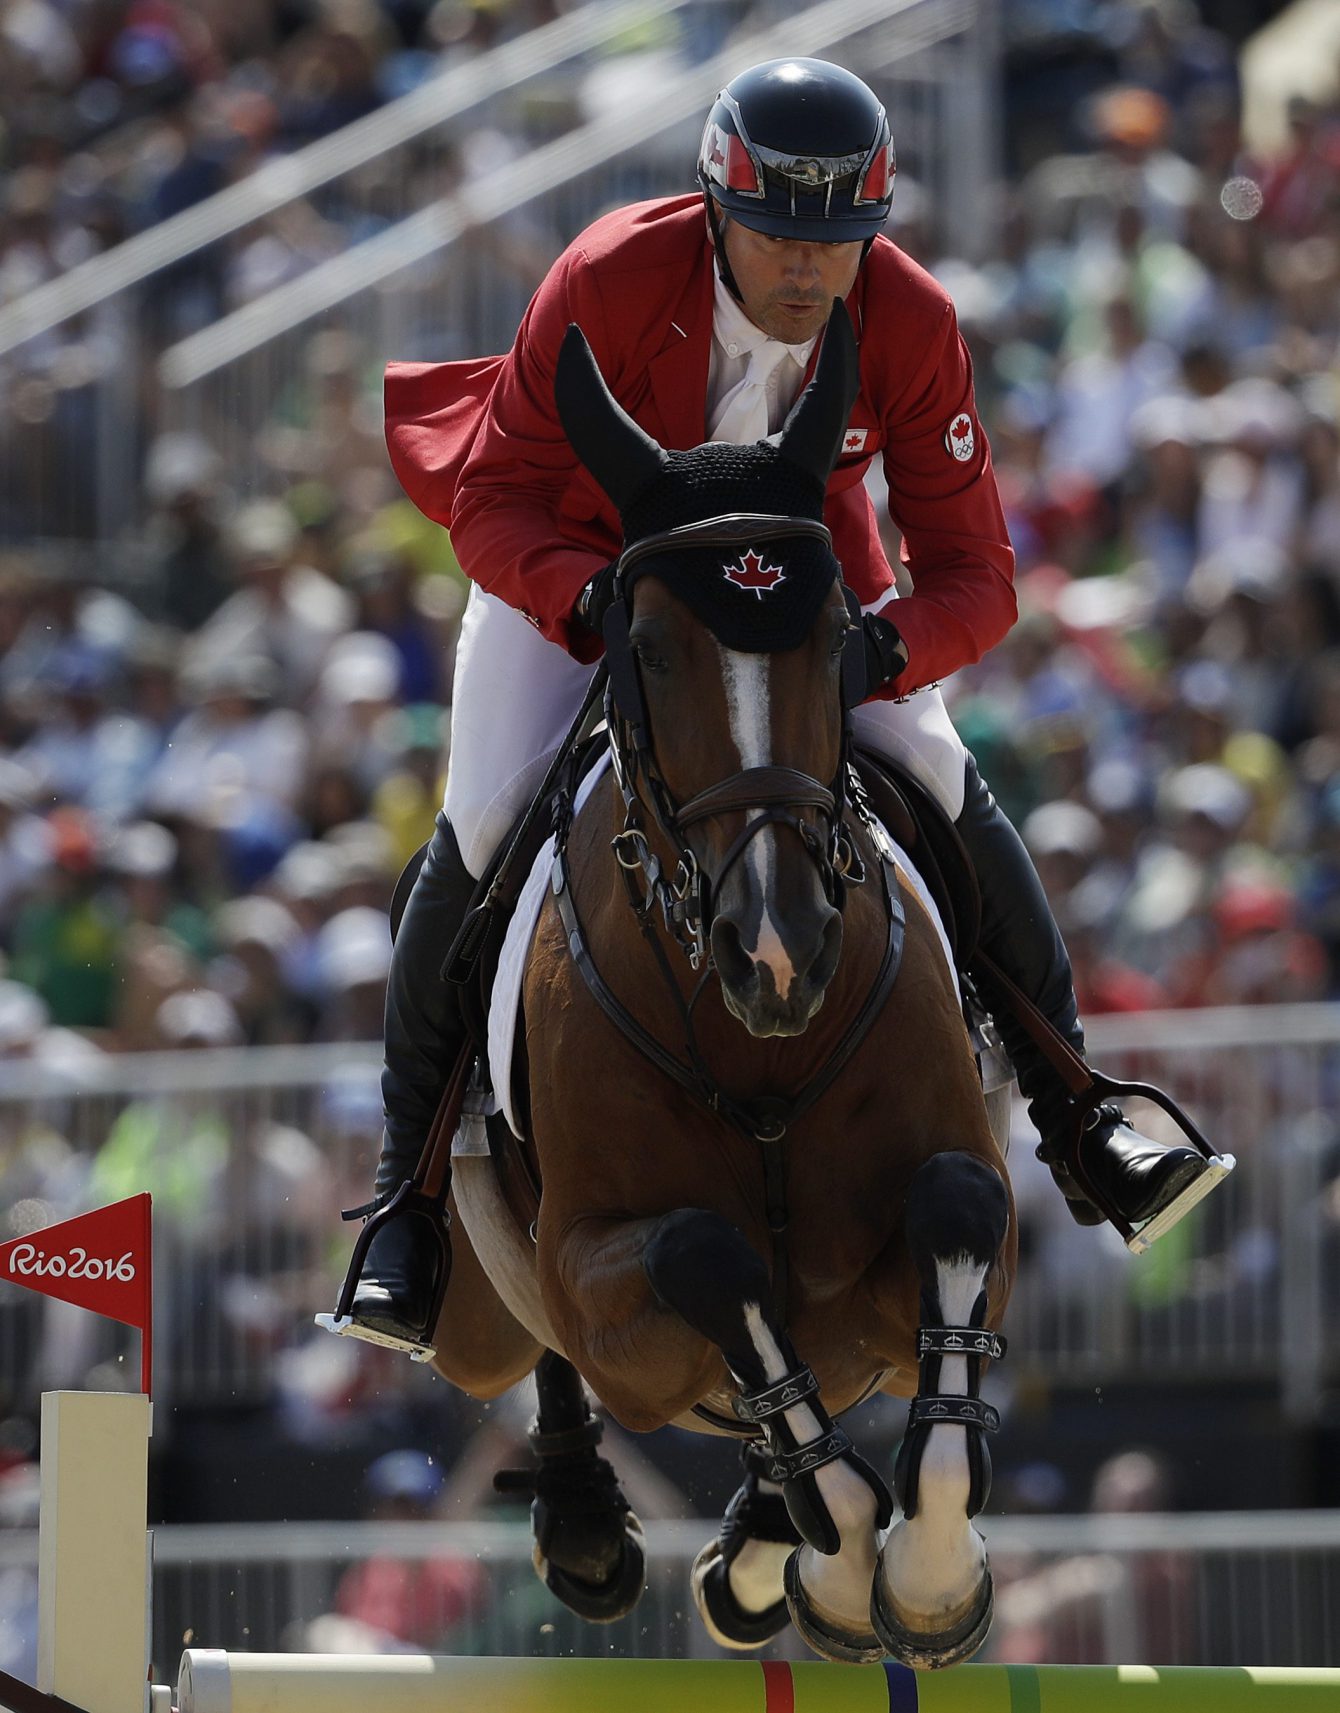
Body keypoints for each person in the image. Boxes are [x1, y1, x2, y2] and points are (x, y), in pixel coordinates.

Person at [346, 58, 1222, 1347]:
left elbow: (979, 576)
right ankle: (406, 1208)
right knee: (481, 823)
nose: (812, 273)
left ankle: (1079, 1109)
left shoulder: (912, 318)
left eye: (839, 241)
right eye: (779, 238)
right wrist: (587, 605)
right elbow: (491, 504)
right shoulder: (605, 279)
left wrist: (881, 655)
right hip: (592, 580)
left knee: (936, 776)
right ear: (713, 210)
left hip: (800, 602)